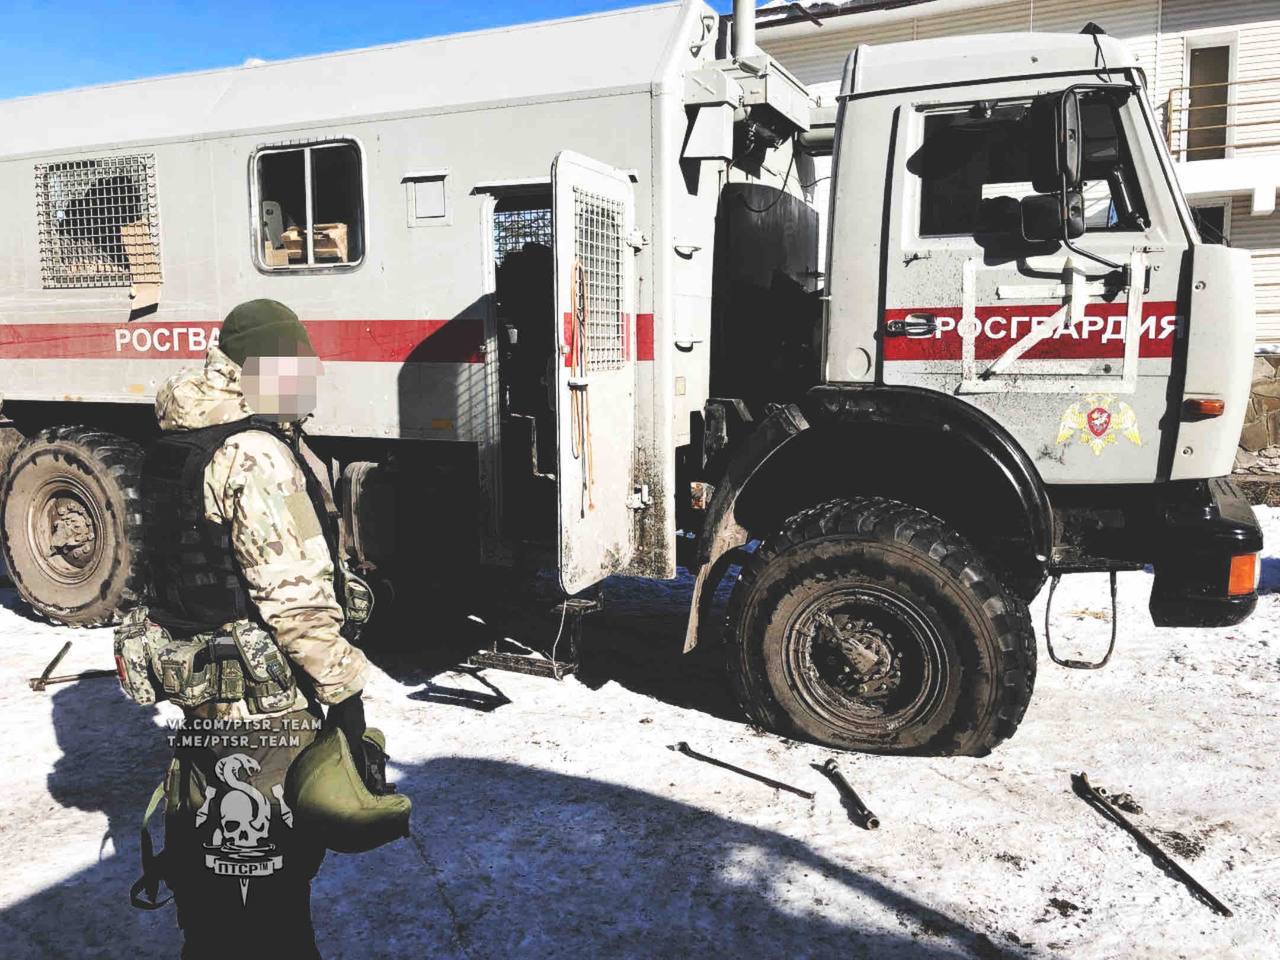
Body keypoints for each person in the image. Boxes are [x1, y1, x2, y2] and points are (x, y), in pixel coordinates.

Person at [117, 299, 381, 959]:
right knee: (278, 893)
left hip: (203, 700)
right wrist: (344, 695)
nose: (306, 383)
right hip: (266, 713)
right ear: (259, 369)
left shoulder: (176, 442)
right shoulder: (254, 454)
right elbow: (293, 599)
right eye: (295, 367)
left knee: (210, 880)